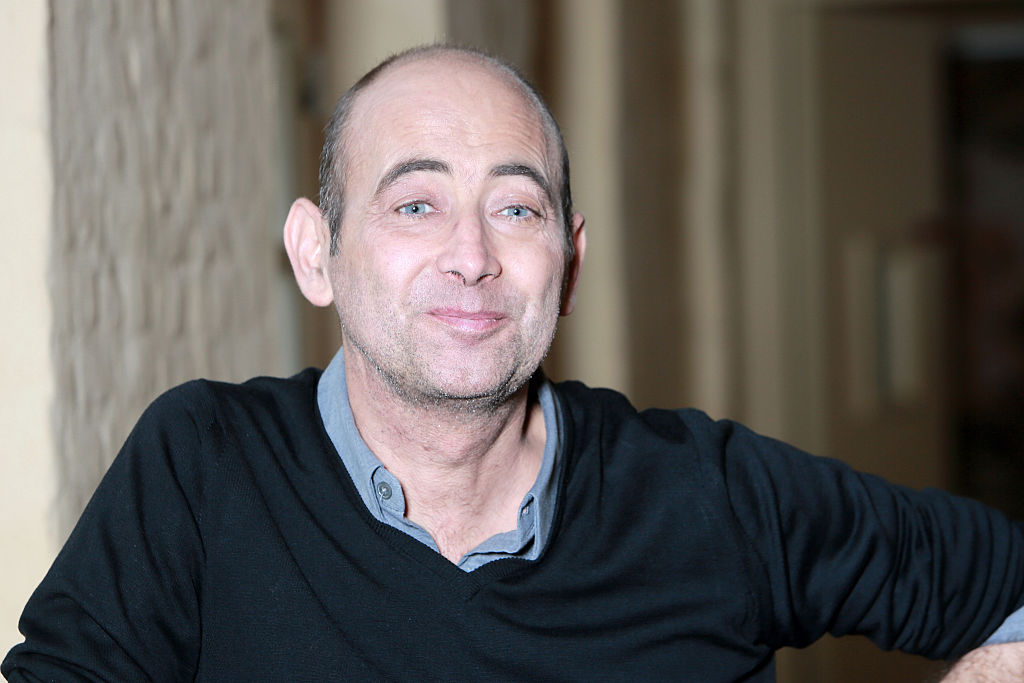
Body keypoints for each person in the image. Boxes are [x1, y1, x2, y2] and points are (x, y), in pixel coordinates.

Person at [4, 44, 1024, 682]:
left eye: (516, 206)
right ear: (317, 252)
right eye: (415, 202)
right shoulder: (202, 468)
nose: (471, 252)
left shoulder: (708, 493)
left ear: (568, 264)